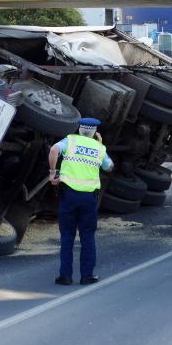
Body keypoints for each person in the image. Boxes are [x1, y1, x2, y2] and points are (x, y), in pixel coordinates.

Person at [48, 117, 114, 286]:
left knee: (67, 236)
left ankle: (65, 276)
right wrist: (99, 144)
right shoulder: (99, 148)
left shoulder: (70, 141)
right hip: (89, 198)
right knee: (87, 236)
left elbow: (54, 150)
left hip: (68, 195)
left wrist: (52, 172)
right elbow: (110, 167)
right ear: (94, 132)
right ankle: (87, 276)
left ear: (79, 128)